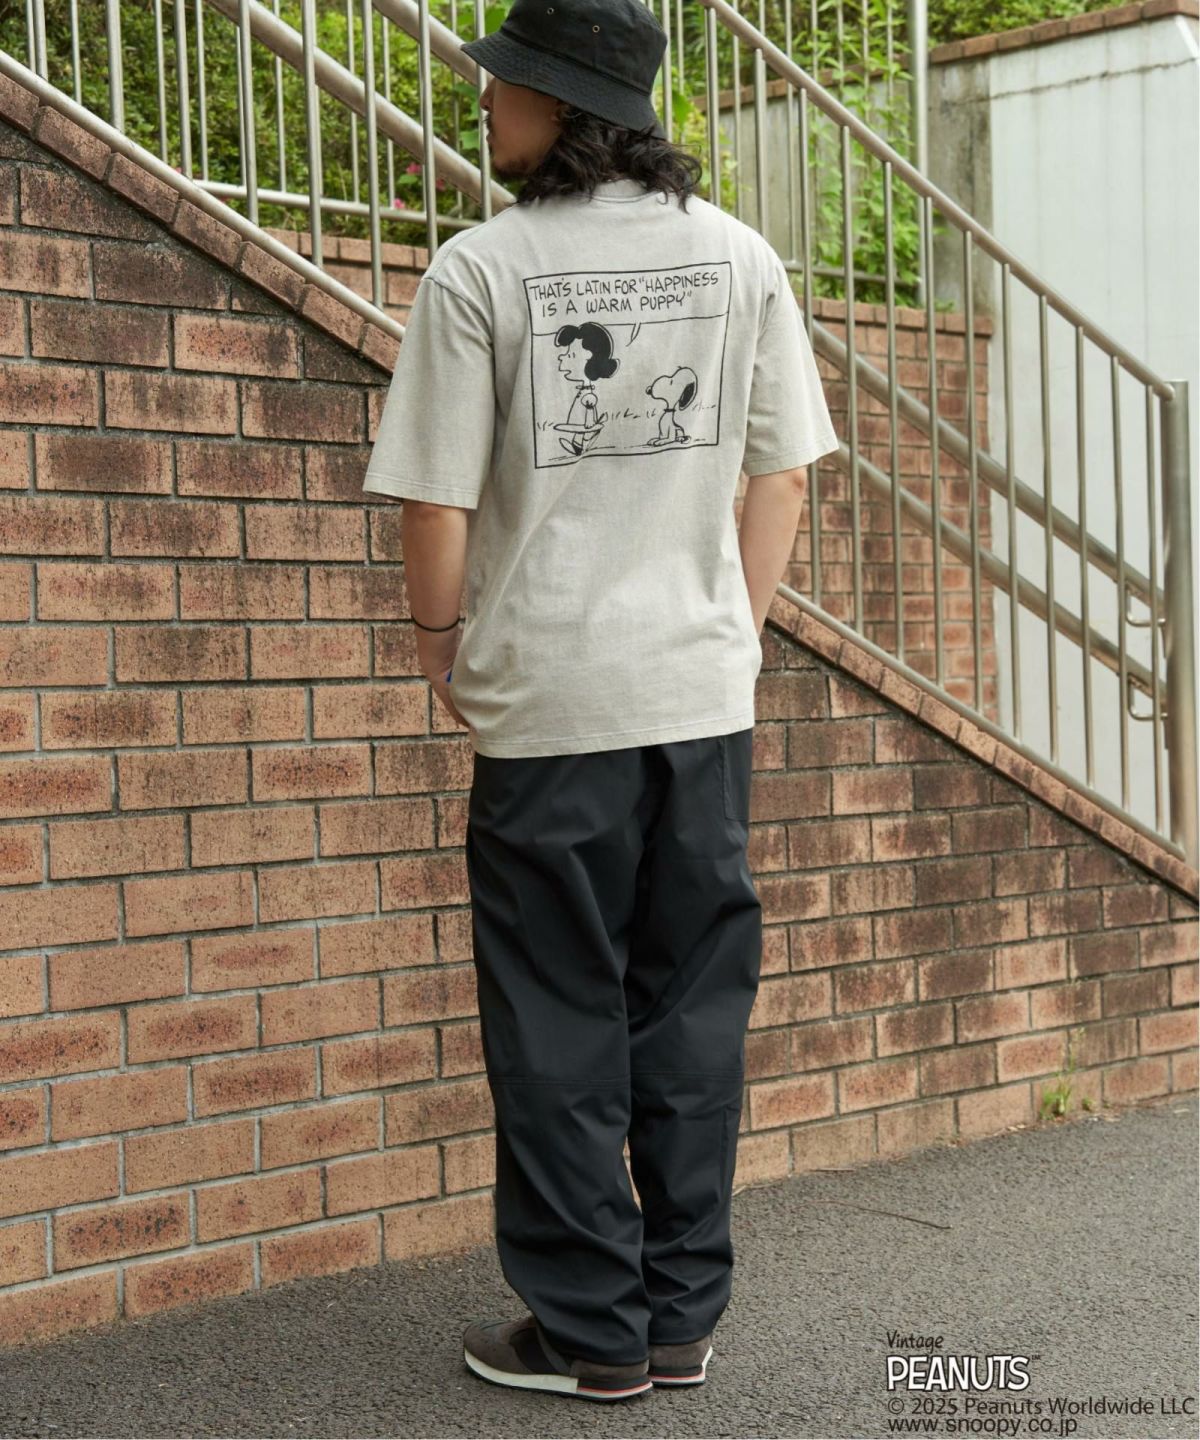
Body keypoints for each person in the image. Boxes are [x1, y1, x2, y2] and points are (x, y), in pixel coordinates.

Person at [361, 0, 839, 1405]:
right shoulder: (738, 257)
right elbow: (782, 474)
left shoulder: (481, 270)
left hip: (553, 707)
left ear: (564, 104)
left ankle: (590, 1333)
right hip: (701, 702)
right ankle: (678, 1316)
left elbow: (436, 500)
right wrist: (731, 636)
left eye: (505, 84)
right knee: (691, 1009)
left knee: (555, 1011)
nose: (486, 102)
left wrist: (437, 645)